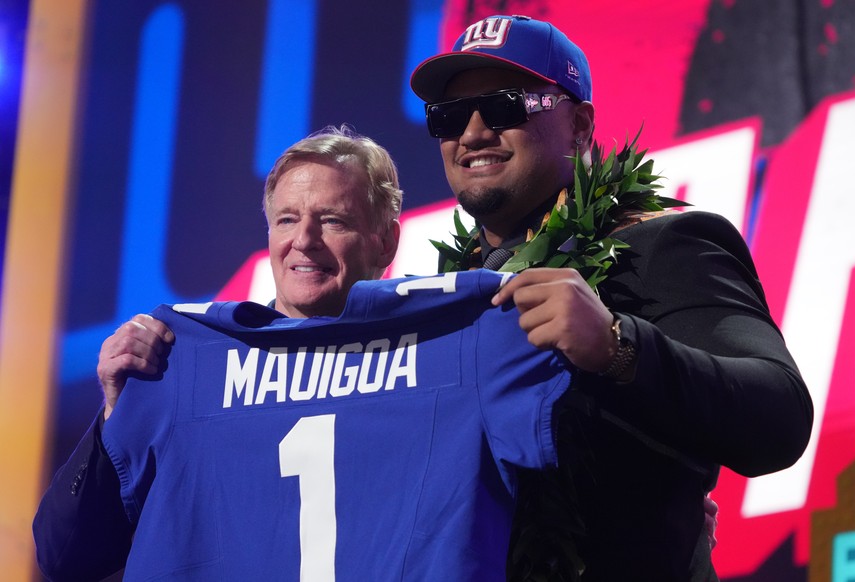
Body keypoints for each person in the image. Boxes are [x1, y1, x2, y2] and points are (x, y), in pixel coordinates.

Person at [407, 14, 812, 581]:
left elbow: (780, 419)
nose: (472, 133)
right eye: (449, 115)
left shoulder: (661, 245)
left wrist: (618, 347)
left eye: (504, 105)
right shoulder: (444, 303)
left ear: (578, 125)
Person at [33, 125, 404, 580]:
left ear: (386, 241)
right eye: (287, 220)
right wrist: (118, 414)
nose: (304, 240)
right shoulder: (182, 363)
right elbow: (64, 556)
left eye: (332, 220)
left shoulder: (425, 359)